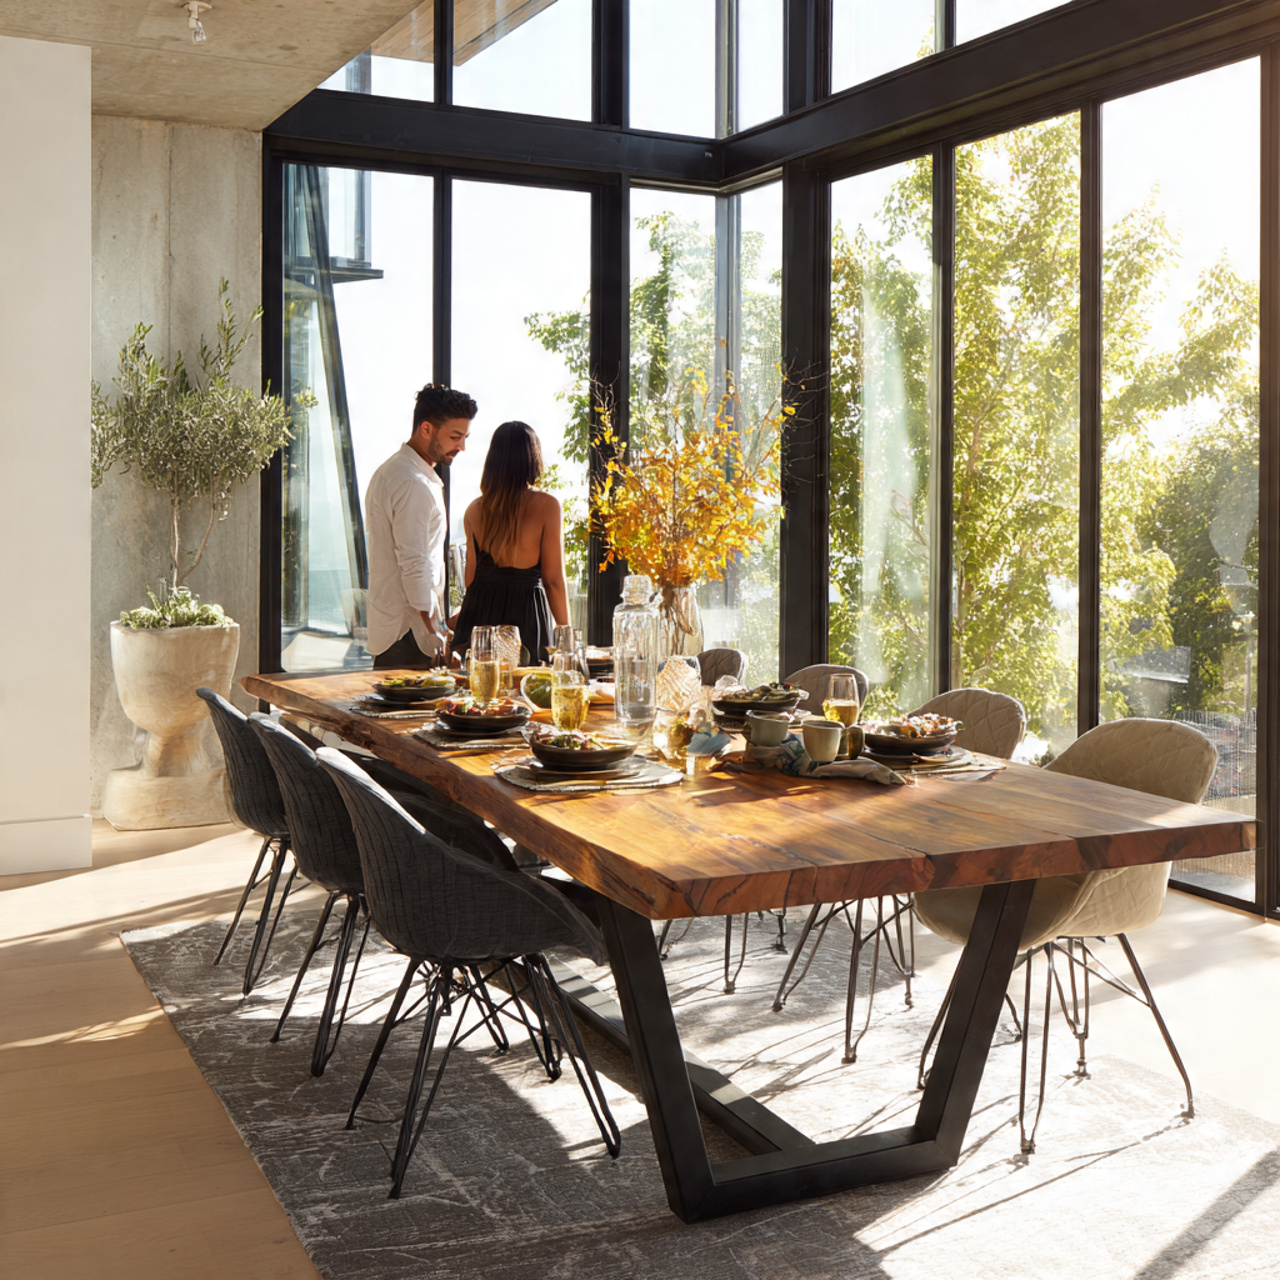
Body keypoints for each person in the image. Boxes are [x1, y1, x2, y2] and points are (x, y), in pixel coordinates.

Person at [365, 384, 476, 669]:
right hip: (409, 637)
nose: (462, 447)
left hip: (398, 634)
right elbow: (415, 564)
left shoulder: (394, 471)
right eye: (455, 437)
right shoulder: (412, 482)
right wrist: (435, 633)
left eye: (464, 437)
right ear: (426, 429)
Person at [451, 421, 569, 665]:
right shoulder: (547, 506)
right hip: (525, 618)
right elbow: (553, 581)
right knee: (527, 684)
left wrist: (452, 624)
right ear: (532, 459)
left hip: (480, 622)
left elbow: (471, 581)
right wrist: (567, 636)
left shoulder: (474, 510)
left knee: (480, 688)